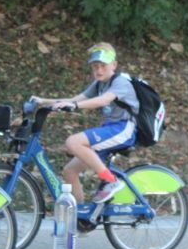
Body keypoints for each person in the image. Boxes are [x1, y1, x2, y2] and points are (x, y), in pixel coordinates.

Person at [30, 43, 138, 209]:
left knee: (73, 142)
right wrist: (43, 101)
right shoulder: (99, 84)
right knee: (69, 172)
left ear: (114, 65)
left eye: (103, 66)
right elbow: (75, 99)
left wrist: (76, 106)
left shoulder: (121, 82)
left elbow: (103, 100)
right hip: (108, 130)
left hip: (122, 129)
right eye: (95, 66)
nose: (99, 70)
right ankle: (79, 217)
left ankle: (111, 181)